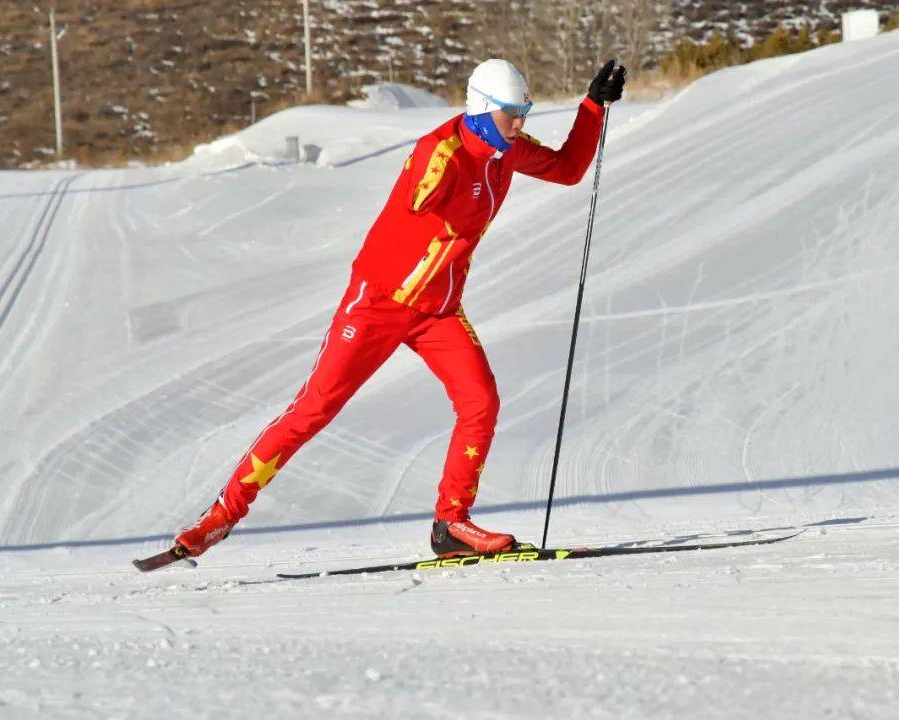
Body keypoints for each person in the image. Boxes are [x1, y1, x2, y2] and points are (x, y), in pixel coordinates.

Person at [173, 58, 627, 559]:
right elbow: (418, 199)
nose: (518, 124)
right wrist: (449, 176)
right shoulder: (443, 154)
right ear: (480, 110)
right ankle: (223, 514)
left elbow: (568, 169)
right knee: (314, 409)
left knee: (481, 402)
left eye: (523, 113)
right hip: (378, 304)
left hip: (438, 311)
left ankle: (451, 525)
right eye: (509, 115)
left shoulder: (508, 152)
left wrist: (592, 107)